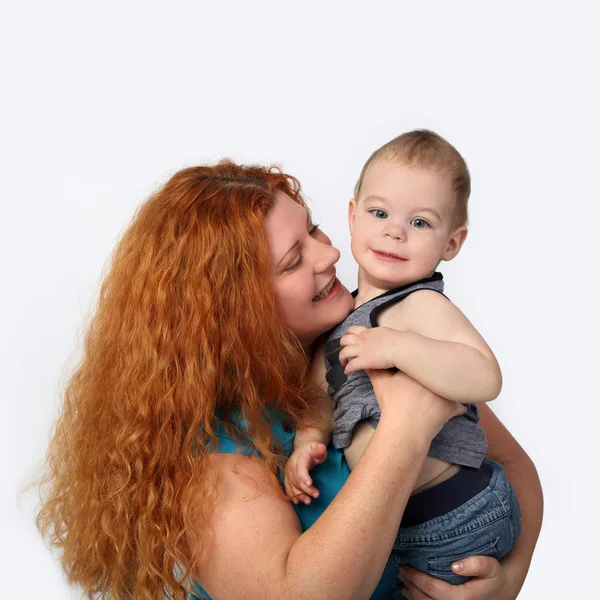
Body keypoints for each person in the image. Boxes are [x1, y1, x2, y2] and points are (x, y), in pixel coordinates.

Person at [35, 160, 542, 600]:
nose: (331, 256)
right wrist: (406, 431)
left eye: (315, 231)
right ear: (236, 313)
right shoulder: (217, 462)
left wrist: (509, 581)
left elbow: (513, 464)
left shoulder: (375, 339)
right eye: (294, 260)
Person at [285, 130, 522, 587]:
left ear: (451, 245)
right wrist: (304, 445)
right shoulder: (338, 320)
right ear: (353, 217)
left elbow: (485, 376)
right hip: (402, 528)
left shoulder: (420, 306)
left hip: (459, 512)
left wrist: (396, 347)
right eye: (379, 213)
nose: (394, 230)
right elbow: (318, 396)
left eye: (420, 223)